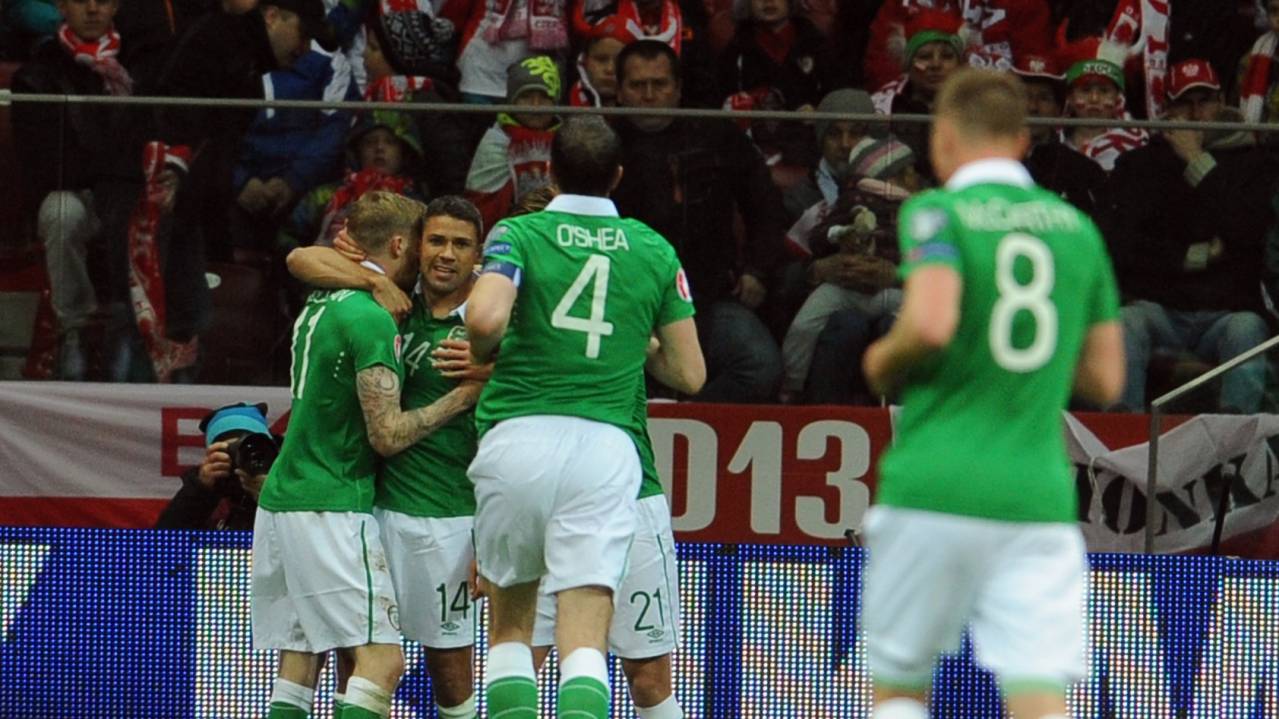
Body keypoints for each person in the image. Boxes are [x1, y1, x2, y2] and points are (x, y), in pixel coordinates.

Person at [860, 68, 1124, 719]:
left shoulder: (936, 212)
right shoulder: (1074, 230)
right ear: (1022, 139)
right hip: (1034, 496)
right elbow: (1106, 379)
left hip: (932, 486)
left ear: (943, 137)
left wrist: (879, 358)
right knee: (1037, 696)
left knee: (899, 688)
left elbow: (929, 319)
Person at [465, 116, 706, 719]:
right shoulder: (654, 249)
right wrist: (635, 341)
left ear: (550, 170)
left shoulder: (517, 234)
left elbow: (485, 321)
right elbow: (691, 374)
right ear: (618, 176)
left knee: (513, 629)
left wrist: (487, 347)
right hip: (606, 450)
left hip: (518, 434)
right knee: (584, 637)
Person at [251, 191, 483, 719]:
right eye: (435, 240)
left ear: (479, 254)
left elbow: (302, 261)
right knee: (377, 663)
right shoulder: (380, 311)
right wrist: (464, 395)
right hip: (342, 502)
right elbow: (386, 436)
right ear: (410, 245)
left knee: (302, 661)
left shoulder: (490, 316)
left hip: (424, 512)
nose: (445, 254)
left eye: (460, 244)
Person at [612, 39, 785, 402]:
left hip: (705, 296)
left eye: (659, 84)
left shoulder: (714, 134)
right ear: (618, 90)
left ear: (677, 89)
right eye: (637, 85)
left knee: (759, 366)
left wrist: (757, 268)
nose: (648, 95)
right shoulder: (601, 141)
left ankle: (687, 421)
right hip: (616, 300)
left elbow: (764, 203)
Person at [1102, 59, 1276, 413]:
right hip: (1159, 308)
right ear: (1167, 109)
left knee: (1247, 330)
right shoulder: (1140, 165)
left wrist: (1197, 160)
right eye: (1185, 102)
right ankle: (1119, 450)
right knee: (1124, 324)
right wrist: (1194, 256)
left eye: (1205, 100)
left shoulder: (1255, 161)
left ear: (1223, 100)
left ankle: (1236, 456)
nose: (1197, 112)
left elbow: (1247, 232)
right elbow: (1125, 247)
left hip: (1227, 310)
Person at [11, 0, 134, 379]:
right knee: (60, 212)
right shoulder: (39, 72)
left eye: (102, 0)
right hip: (79, 191)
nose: (93, 9)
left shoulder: (141, 61)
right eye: (82, 0)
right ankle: (73, 331)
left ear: (116, 6)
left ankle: (128, 329)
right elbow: (46, 163)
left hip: (130, 191)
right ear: (63, 7)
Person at [464, 55, 562, 231]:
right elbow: (481, 206)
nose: (536, 105)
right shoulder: (496, 141)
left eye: (544, 97)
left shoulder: (567, 141)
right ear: (512, 101)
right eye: (526, 96)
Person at [154, 402, 276, 531]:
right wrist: (200, 489)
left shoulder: (286, 482)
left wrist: (273, 496)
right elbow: (164, 542)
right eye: (231, 451)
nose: (240, 458)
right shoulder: (208, 489)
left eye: (250, 451)